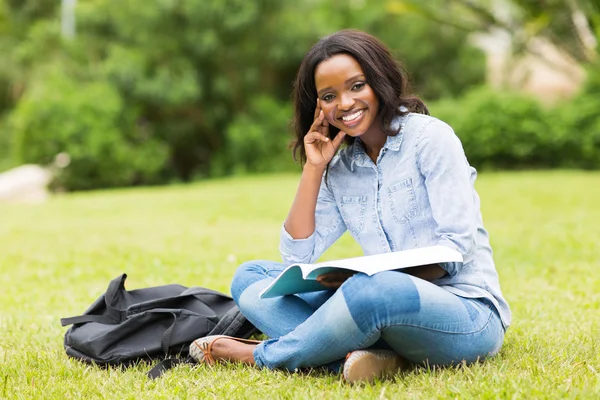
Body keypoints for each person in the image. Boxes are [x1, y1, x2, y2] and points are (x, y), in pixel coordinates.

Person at [189, 29, 511, 383]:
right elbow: (297, 258)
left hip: (465, 312)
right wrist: (314, 169)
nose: (344, 103)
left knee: (371, 291)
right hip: (373, 303)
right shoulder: (341, 169)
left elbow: (456, 251)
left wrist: (369, 284)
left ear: (379, 80)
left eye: (356, 86)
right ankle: (374, 358)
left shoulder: (430, 139)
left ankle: (263, 355)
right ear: (319, 108)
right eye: (329, 96)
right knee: (250, 278)